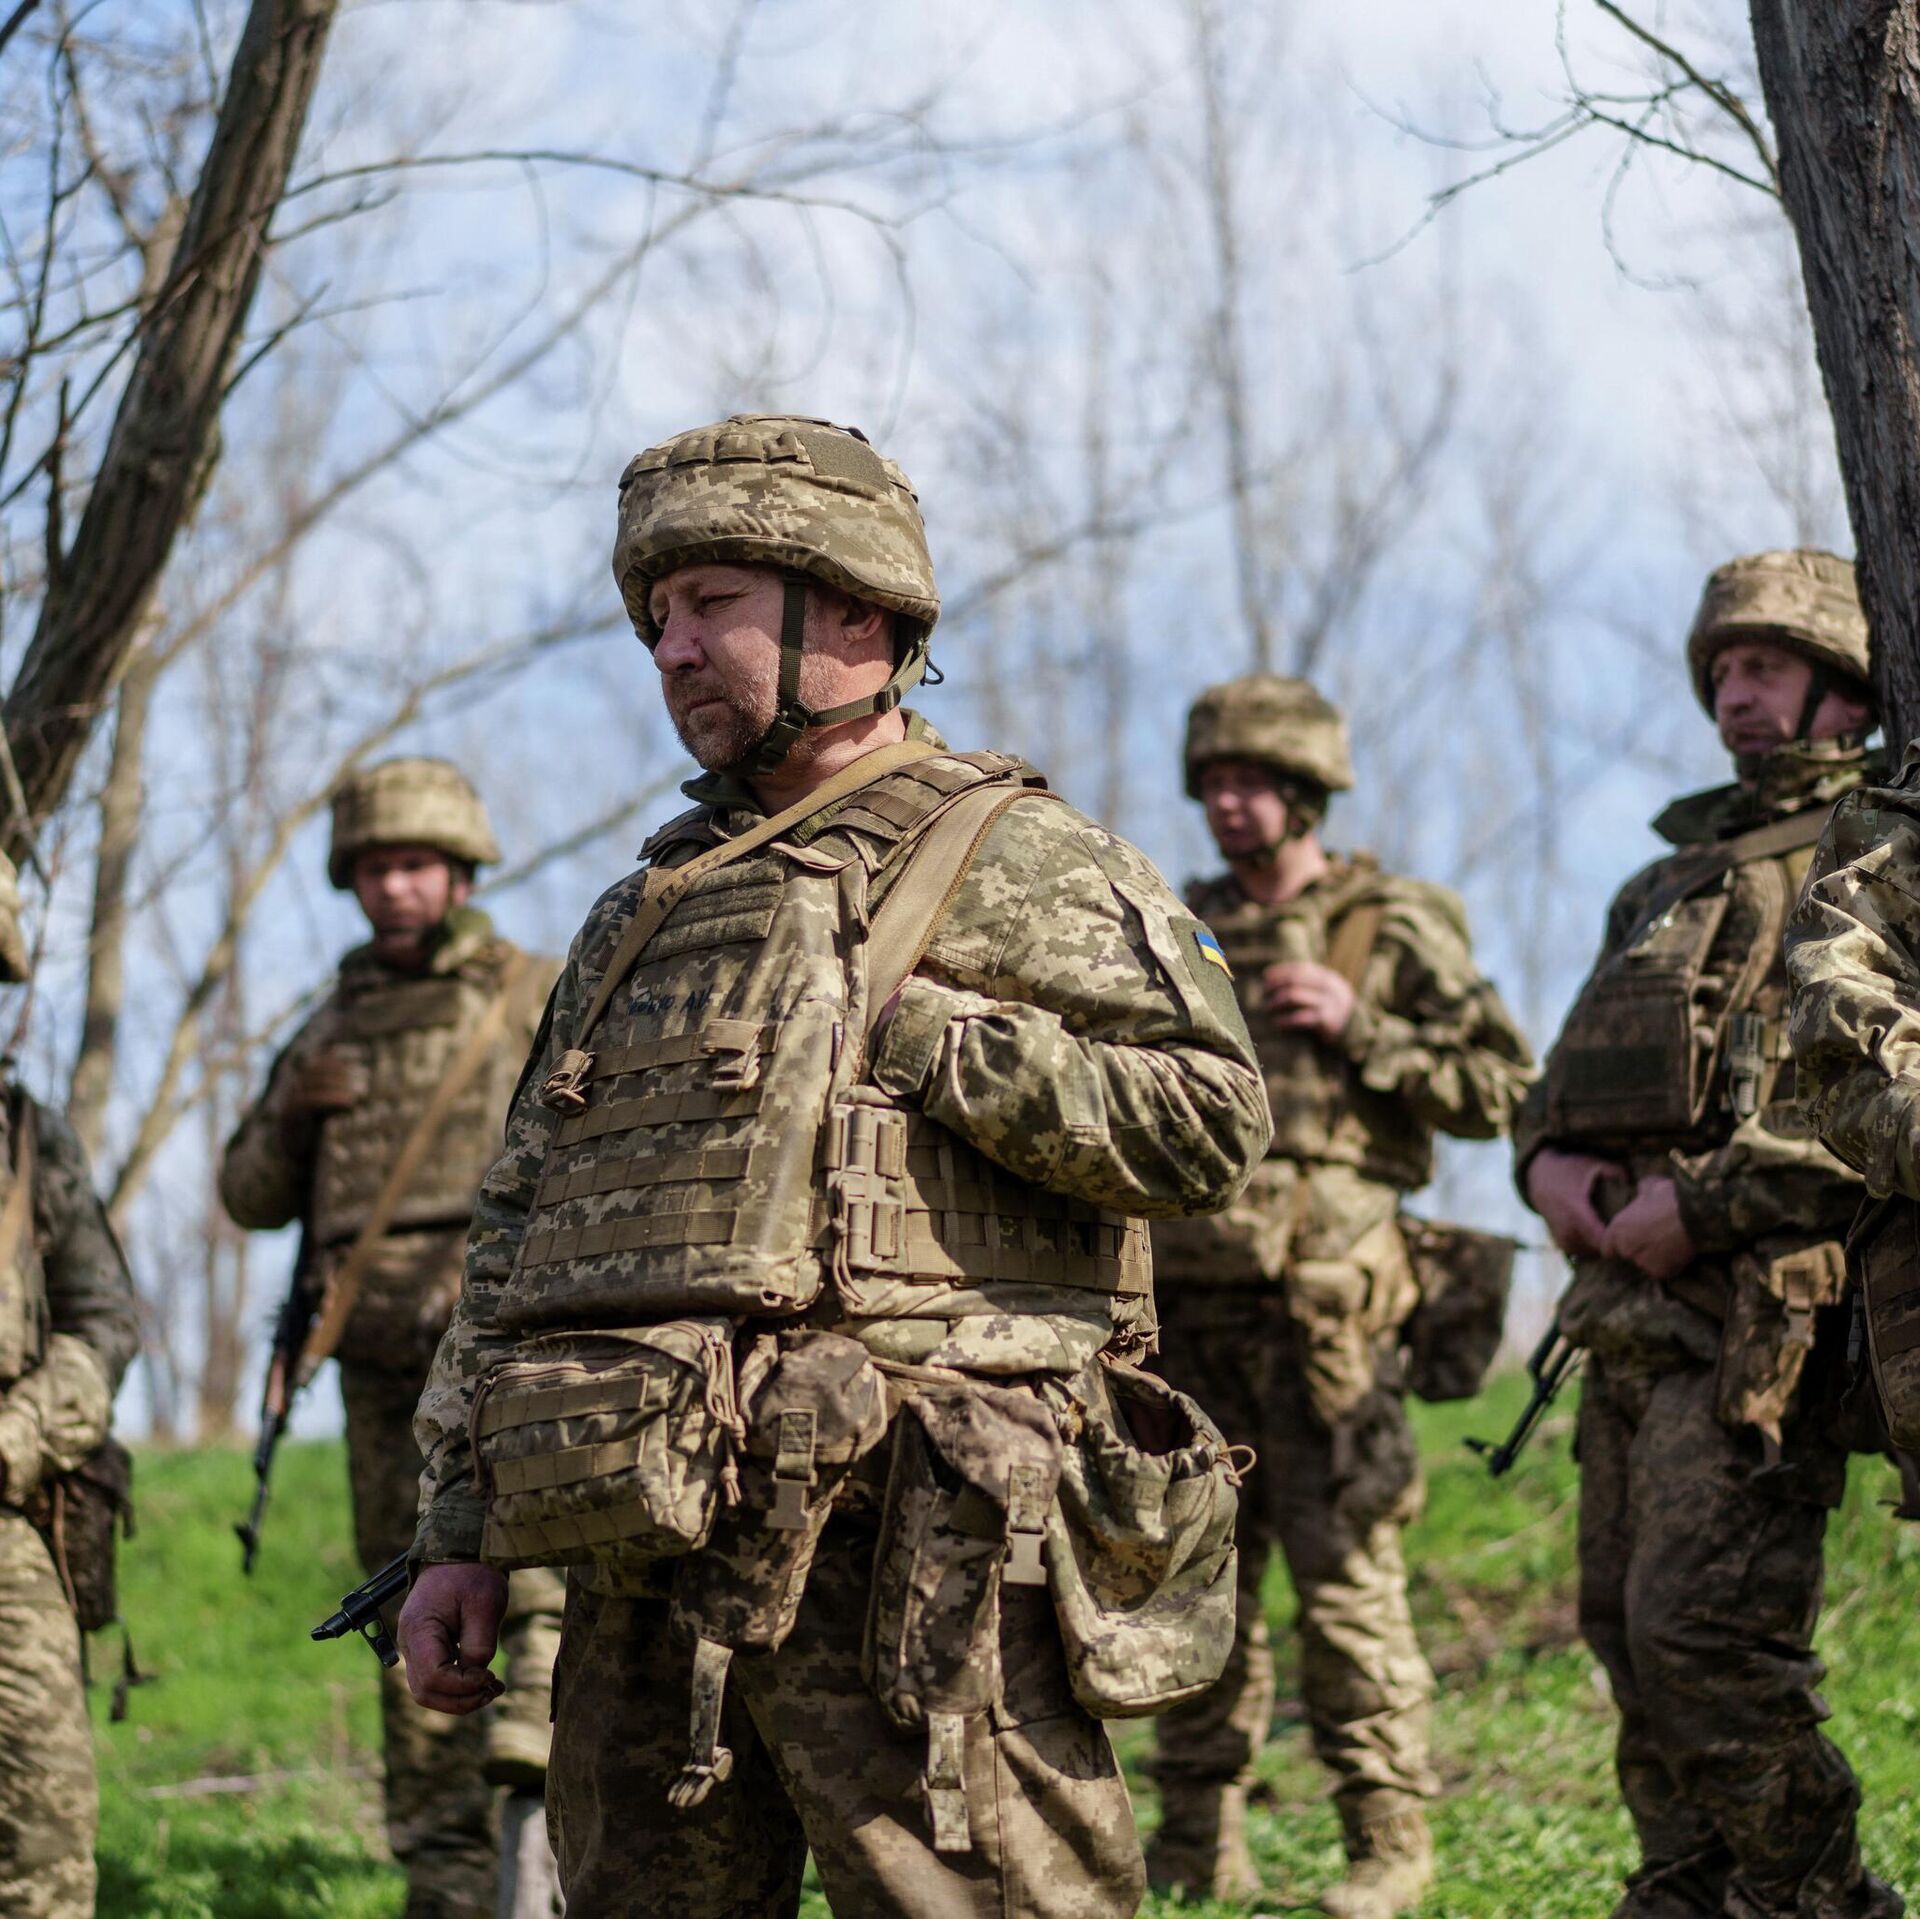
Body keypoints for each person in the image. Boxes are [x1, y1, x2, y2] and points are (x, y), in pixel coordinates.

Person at [395, 413, 1273, 1919]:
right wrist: (455, 1531)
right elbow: (518, 1229)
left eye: (712, 602)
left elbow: (1208, 1123)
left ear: (857, 612)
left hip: (919, 1533)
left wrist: (924, 1035)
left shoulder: (1017, 853)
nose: (672, 647)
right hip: (643, 1529)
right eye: (656, 619)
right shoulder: (643, 910)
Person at [1517, 550, 1900, 1919]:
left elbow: (1875, 1093)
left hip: (1760, 1321)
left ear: (1844, 691)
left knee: (1703, 1637)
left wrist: (1707, 1204)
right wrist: (1548, 1167)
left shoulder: (1876, 857)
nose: (1737, 691)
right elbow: (1555, 1087)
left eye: (1768, 666)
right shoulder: (1665, 883)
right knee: (1624, 1629)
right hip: (1622, 1316)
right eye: (1723, 669)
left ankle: (1816, 1895)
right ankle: (1688, 1886)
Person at [1143, 673, 1533, 1914]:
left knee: (1348, 1590)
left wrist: (1364, 1024)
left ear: (1308, 790)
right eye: (1212, 783)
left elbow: (1503, 1088)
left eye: (1252, 782)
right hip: (1188, 1324)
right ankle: (1196, 1844)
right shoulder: (1174, 925)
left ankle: (1388, 1843)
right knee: (1190, 1589)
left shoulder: (1391, 921)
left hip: (1330, 1331)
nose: (1228, 804)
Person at [220, 759, 563, 1919]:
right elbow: (247, 1195)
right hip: (375, 1372)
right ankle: (444, 1873)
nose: (395, 887)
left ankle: (556, 1827)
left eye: (416, 864)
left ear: (461, 871)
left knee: (548, 1584)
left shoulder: (531, 992)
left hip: (513, 1345)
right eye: (373, 868)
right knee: (408, 1605)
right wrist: (290, 1114)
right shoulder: (329, 1022)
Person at [0, 848, 141, 1919]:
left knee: (42, 1828)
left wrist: (21, 1432)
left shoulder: (26, 1140)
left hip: (7, 1514)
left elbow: (104, 1319)